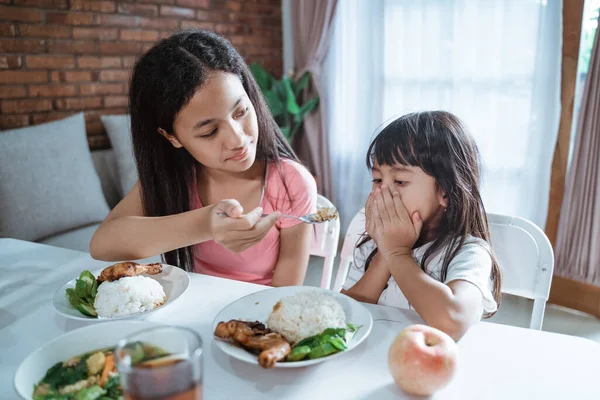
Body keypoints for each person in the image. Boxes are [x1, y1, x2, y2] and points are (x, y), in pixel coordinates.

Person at [90, 29, 317, 287]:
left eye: (241, 111)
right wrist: (206, 224)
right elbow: (102, 245)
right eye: (209, 131)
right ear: (171, 137)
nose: (237, 139)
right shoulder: (177, 177)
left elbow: (283, 295)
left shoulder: (289, 183)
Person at [343, 111, 501, 340]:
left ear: (445, 191)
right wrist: (385, 254)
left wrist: (397, 254)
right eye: (377, 179)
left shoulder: (468, 253)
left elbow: (452, 321)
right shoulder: (372, 245)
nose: (381, 192)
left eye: (400, 181)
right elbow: (343, 315)